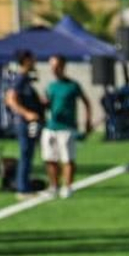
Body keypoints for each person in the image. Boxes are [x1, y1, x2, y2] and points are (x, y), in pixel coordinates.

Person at [42, 56, 93, 199]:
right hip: (51, 126)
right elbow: (47, 104)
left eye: (56, 66)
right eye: (52, 66)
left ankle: (68, 186)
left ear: (63, 66)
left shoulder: (72, 85)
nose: (54, 69)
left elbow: (86, 102)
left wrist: (87, 121)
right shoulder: (50, 86)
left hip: (66, 127)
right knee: (50, 158)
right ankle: (54, 186)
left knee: (67, 158)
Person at [4, 50, 45, 197]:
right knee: (26, 153)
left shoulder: (26, 78)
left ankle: (25, 184)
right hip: (24, 122)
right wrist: (26, 113)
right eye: (32, 59)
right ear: (26, 60)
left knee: (29, 153)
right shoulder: (20, 78)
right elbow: (10, 99)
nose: (35, 61)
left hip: (28, 122)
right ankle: (22, 188)